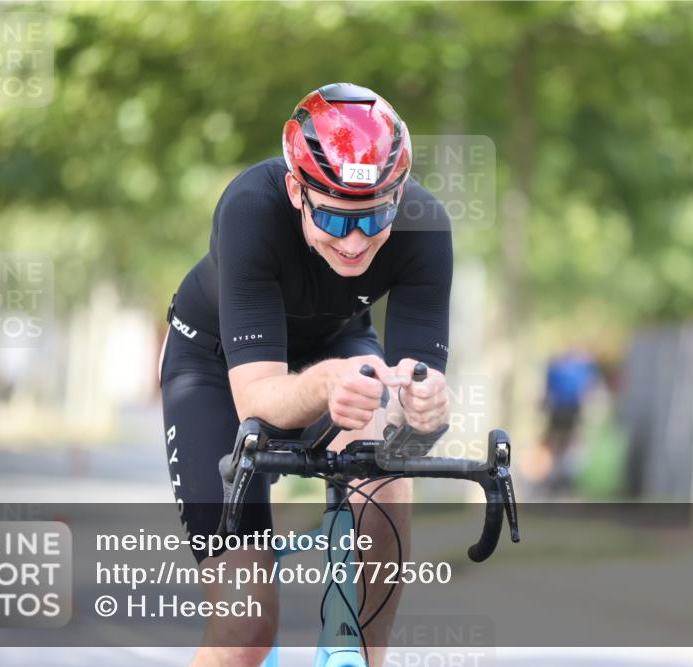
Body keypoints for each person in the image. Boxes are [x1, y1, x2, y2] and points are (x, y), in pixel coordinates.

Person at [159, 83, 452, 667]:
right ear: (297, 190)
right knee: (245, 630)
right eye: (337, 222)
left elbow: (409, 430)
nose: (358, 242)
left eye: (375, 218)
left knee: (386, 473)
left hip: (340, 347)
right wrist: (327, 384)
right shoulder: (250, 208)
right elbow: (258, 403)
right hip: (217, 370)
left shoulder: (427, 228)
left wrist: (425, 414)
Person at [540, 349, 597, 494]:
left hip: (560, 409)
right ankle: (561, 476)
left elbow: (548, 390)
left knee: (557, 442)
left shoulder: (557, 368)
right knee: (566, 442)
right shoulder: (581, 369)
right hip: (571, 410)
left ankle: (557, 476)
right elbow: (587, 390)